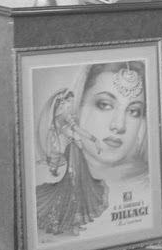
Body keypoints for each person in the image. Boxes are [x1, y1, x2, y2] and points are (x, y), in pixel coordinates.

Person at [35, 60, 148, 237]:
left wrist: (92, 139)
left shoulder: (149, 185)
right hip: (73, 161)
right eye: (104, 105)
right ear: (78, 105)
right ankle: (67, 220)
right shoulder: (64, 134)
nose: (118, 125)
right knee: (72, 187)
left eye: (134, 111)